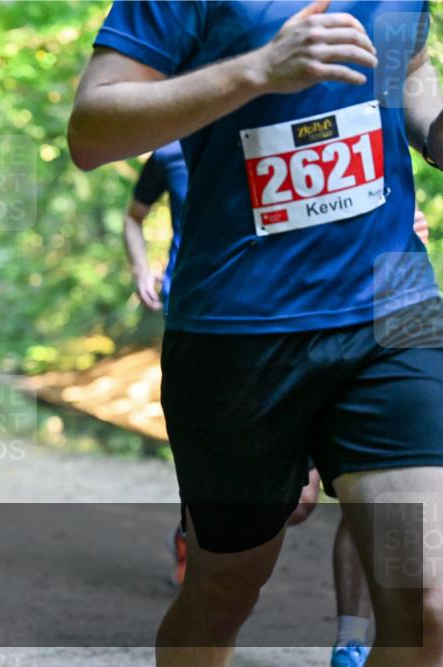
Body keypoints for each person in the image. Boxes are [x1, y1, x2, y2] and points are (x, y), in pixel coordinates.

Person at [70, 2, 442, 666]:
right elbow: (92, 131)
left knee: (429, 607)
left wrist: (436, 127)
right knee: (223, 592)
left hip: (395, 297)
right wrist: (260, 70)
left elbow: (407, 65)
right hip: (237, 322)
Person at [123, 140, 187, 313]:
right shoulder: (169, 152)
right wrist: (142, 272)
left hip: (257, 298)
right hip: (184, 298)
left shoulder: (254, 138)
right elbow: (133, 218)